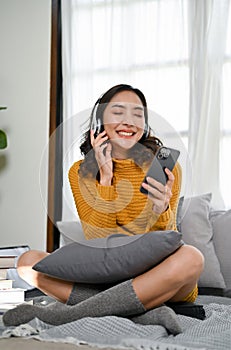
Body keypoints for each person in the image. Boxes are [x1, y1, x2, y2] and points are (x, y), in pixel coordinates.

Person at [3, 84, 204, 330]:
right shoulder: (82, 171)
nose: (129, 121)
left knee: (192, 257)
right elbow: (99, 240)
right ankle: (139, 311)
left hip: (159, 275)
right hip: (110, 278)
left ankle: (74, 312)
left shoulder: (165, 167)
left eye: (137, 114)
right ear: (99, 123)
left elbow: (165, 242)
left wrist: (159, 210)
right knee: (27, 261)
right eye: (118, 112)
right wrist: (106, 178)